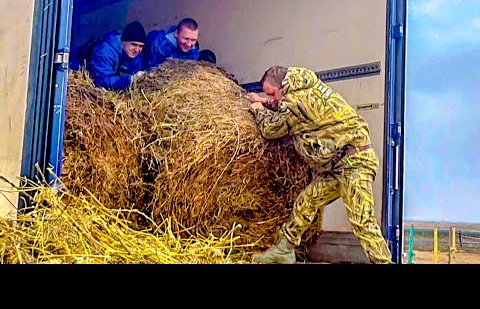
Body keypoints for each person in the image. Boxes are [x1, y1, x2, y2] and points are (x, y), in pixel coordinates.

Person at [247, 65, 393, 264]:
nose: (272, 99)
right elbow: (289, 107)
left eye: (272, 93)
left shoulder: (294, 102)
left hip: (353, 162)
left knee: (362, 221)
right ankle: (283, 250)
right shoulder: (308, 87)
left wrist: (258, 111)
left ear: (283, 85)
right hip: (338, 163)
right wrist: (266, 101)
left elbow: (271, 130)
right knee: (307, 201)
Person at [88, 21, 147, 91]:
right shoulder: (104, 52)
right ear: (123, 42)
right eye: (134, 44)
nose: (137, 50)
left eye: (141, 46)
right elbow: (102, 81)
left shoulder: (136, 56)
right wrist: (129, 80)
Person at [143, 17, 217, 69]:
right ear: (176, 34)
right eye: (186, 38)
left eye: (193, 40)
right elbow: (150, 73)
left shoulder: (194, 49)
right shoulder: (158, 46)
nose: (189, 44)